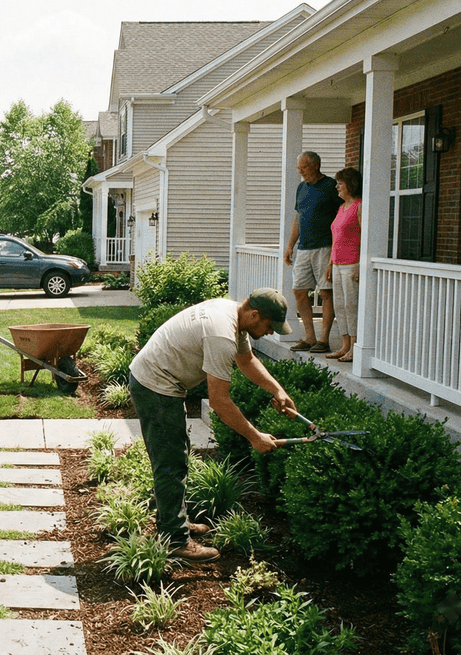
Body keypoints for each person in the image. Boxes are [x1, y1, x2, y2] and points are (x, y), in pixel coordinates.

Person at [128, 289, 297, 562]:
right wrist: (255, 437)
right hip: (154, 385)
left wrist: (276, 389)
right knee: (170, 461)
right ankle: (175, 539)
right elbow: (219, 401)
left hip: (159, 379)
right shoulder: (221, 335)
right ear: (254, 315)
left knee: (176, 455)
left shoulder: (232, 315)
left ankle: (175, 521)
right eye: (268, 325)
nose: (270, 332)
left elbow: (247, 360)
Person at [283, 151, 342, 355]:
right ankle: (310, 337)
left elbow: (342, 215)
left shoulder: (331, 186)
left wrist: (336, 249)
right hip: (304, 248)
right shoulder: (301, 188)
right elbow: (297, 217)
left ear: (315, 165)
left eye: (304, 168)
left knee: (326, 292)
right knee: (299, 290)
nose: (301, 172)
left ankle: (324, 339)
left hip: (325, 246)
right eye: (299, 169)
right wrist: (291, 244)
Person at [325, 167, 363, 363]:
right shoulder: (341, 208)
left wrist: (360, 266)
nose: (337, 186)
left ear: (351, 184)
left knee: (351, 305)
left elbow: (366, 237)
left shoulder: (359, 206)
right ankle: (345, 345)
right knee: (339, 306)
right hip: (338, 263)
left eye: (340, 182)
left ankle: (355, 347)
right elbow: (335, 237)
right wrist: (330, 263)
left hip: (352, 264)